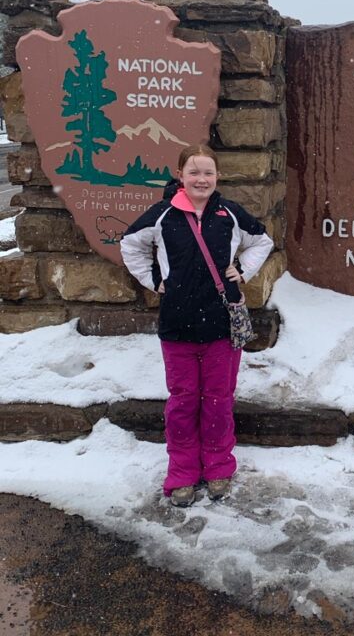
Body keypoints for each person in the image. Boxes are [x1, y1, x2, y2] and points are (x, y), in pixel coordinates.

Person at [120, 144, 273, 507]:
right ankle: (183, 472)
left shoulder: (228, 213)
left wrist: (244, 271)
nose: (201, 179)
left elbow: (262, 241)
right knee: (184, 401)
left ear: (216, 176)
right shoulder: (162, 215)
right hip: (177, 326)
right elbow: (129, 244)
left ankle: (219, 467)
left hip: (222, 326)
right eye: (194, 172)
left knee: (218, 400)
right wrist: (153, 279)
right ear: (180, 175)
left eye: (207, 172)